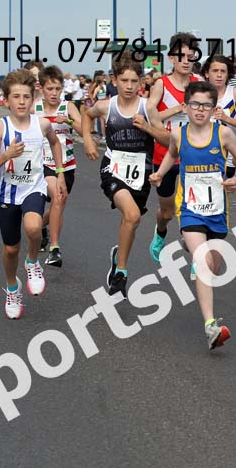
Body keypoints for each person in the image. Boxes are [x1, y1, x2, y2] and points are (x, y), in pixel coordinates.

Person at [149, 81, 236, 350]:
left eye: (206, 105)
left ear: (213, 108)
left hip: (217, 211)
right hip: (190, 210)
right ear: (187, 106)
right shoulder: (179, 134)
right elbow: (171, 154)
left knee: (212, 267)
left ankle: (190, 247)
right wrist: (160, 173)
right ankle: (210, 326)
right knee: (203, 263)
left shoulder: (224, 134)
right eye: (195, 105)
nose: (200, 110)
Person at [81, 53, 170, 297]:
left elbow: (167, 139)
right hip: (113, 167)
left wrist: (148, 128)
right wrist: (88, 139)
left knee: (132, 220)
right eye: (124, 81)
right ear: (114, 80)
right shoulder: (106, 106)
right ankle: (121, 272)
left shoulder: (147, 107)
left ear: (141, 82)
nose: (129, 87)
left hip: (141, 172)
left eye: (134, 81)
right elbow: (86, 116)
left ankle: (117, 259)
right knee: (131, 214)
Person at [0, 69, 67, 319]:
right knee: (10, 249)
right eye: (16, 96)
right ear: (6, 100)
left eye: (26, 97)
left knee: (32, 228)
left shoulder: (41, 124)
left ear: (33, 99)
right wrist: (6, 155)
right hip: (8, 193)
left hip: (34, 188)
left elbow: (55, 142)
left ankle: (32, 262)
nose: (21, 101)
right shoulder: (0, 127)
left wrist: (59, 172)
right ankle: (12, 287)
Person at [147, 32, 203, 263]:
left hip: (193, 156)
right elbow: (152, 115)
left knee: (192, 208)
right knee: (168, 212)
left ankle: (196, 255)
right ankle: (160, 231)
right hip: (166, 155)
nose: (186, 60)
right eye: (181, 56)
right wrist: (177, 110)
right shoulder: (162, 84)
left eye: (191, 56)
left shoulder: (199, 83)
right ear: (171, 58)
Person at [33, 65, 83, 267]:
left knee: (58, 204)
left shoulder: (68, 106)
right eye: (50, 89)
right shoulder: (34, 108)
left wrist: (69, 121)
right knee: (58, 197)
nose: (54, 94)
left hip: (67, 164)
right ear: (42, 89)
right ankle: (55, 249)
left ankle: (39, 228)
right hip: (43, 163)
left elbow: (83, 129)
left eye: (57, 89)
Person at [204, 55, 236, 177]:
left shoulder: (235, 93)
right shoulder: (199, 94)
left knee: (227, 192)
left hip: (230, 157)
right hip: (205, 154)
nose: (219, 75)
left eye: (223, 71)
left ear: (228, 74)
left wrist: (226, 118)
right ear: (207, 74)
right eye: (215, 71)